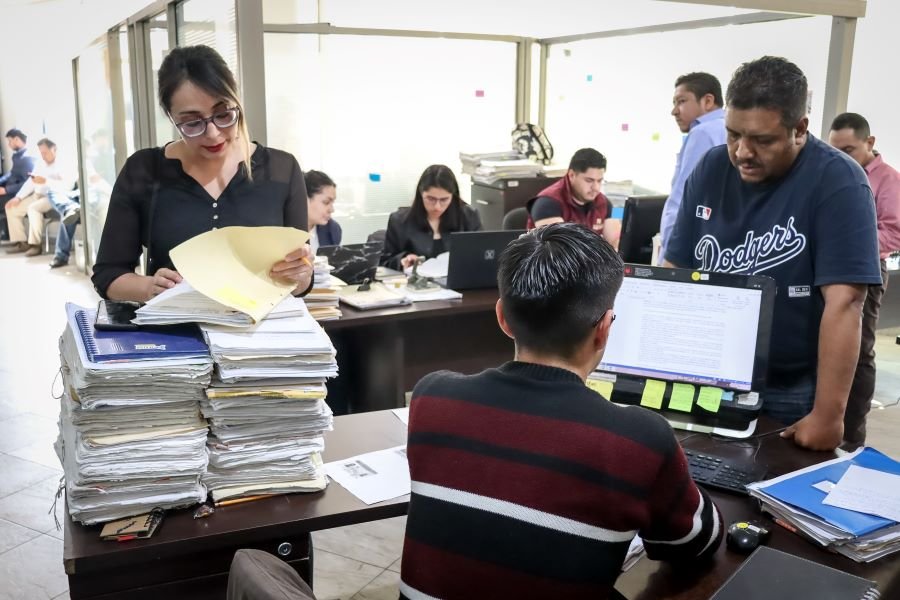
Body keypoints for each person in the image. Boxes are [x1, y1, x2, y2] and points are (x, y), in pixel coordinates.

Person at [400, 223, 722, 600]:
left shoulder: (432, 398)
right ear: (603, 329)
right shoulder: (639, 440)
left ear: (502, 318)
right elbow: (696, 543)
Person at [665, 56, 881, 451]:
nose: (743, 152)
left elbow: (846, 303)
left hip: (790, 386)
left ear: (800, 129)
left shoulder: (839, 182)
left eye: (762, 140)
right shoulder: (712, 168)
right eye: (733, 135)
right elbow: (676, 271)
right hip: (710, 375)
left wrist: (828, 415)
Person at [91, 45, 312, 302]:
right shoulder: (144, 170)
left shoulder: (282, 170)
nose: (213, 133)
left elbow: (299, 283)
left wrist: (302, 275)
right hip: (177, 335)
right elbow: (108, 275)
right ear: (171, 117)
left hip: (258, 335)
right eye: (193, 122)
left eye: (223, 114)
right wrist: (149, 288)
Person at [828, 112, 900, 449]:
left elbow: (894, 232)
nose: (842, 158)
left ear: (870, 143)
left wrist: (852, 242)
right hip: (827, 267)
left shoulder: (888, 180)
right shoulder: (832, 173)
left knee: (858, 353)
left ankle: (851, 437)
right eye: (835, 150)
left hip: (866, 271)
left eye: (850, 149)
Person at [658, 72, 726, 263]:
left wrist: (669, 253)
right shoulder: (728, 129)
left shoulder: (703, 132)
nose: (674, 111)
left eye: (681, 101)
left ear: (708, 101)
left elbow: (684, 198)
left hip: (685, 252)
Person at [381, 164, 482, 270]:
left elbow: (482, 254)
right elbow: (385, 262)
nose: (437, 207)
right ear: (421, 193)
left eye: (444, 200)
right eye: (431, 199)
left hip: (459, 283)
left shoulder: (469, 216)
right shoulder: (399, 221)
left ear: (453, 196)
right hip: (415, 283)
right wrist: (403, 260)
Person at [4, 138, 73, 256]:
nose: (43, 156)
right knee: (11, 208)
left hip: (53, 197)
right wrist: (18, 197)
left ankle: (35, 245)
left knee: (33, 208)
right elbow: (30, 183)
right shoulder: (40, 163)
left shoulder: (64, 163)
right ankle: (21, 242)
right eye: (41, 153)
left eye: (45, 152)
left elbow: (67, 186)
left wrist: (46, 181)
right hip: (37, 195)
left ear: (54, 149)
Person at [526, 147, 608, 232]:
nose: (596, 188)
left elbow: (617, 237)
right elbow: (559, 244)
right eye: (589, 180)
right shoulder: (545, 203)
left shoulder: (607, 203)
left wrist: (617, 240)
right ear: (572, 175)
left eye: (599, 181)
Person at [0, 128, 36, 241]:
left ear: (16, 139)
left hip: (18, 194)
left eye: (10, 141)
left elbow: (28, 183)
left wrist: (6, 190)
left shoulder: (27, 158)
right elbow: (12, 173)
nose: (9, 145)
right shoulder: (18, 156)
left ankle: (17, 240)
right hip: (11, 191)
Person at [305, 170, 340, 254]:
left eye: (332, 203)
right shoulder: (284, 232)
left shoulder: (333, 230)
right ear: (305, 199)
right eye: (326, 202)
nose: (332, 210)